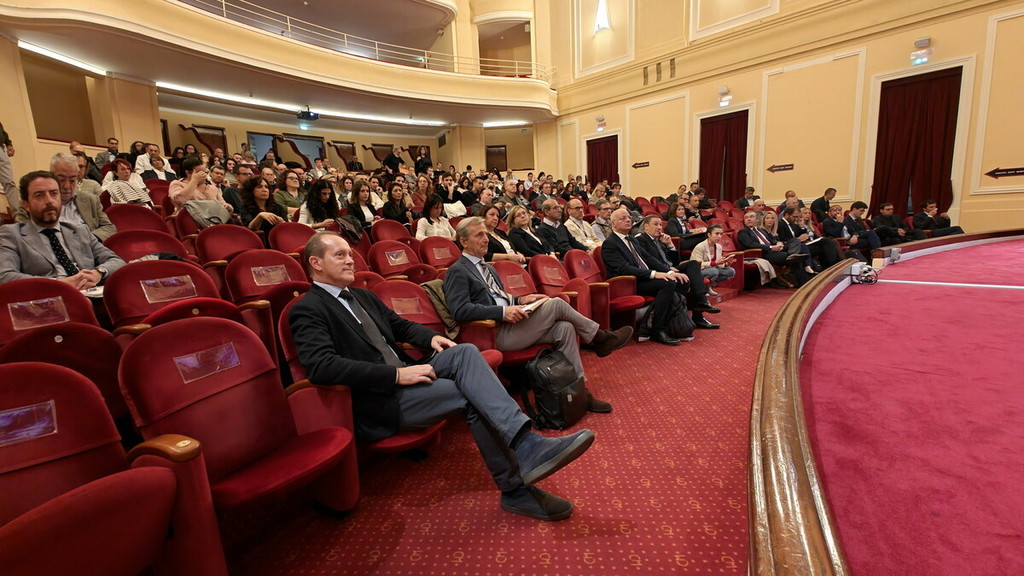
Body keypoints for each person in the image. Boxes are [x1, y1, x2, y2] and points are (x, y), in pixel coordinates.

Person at [290, 232, 597, 521]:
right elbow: (322, 366)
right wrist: (395, 375)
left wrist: (431, 338)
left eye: (350, 254)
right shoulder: (307, 308)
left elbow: (400, 326)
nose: (350, 260)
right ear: (316, 263)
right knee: (473, 395)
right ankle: (516, 487)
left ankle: (525, 443)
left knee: (465, 352)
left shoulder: (362, 296)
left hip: (408, 374)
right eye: (340, 255)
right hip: (380, 397)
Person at [445, 217, 630, 413]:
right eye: (479, 235)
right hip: (495, 333)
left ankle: (579, 393)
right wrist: (502, 312)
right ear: (463, 241)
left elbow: (500, 297)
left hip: (513, 325)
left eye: (485, 234)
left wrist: (522, 300)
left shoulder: (488, 268)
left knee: (565, 328)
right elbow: (460, 310)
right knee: (556, 303)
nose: (486, 239)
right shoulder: (457, 271)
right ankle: (599, 337)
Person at [601, 209, 719, 346]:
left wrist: (669, 272)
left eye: (628, 217)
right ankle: (657, 330)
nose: (628, 220)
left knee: (682, 280)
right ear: (613, 223)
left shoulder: (631, 239)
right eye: (623, 218)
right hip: (629, 283)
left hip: (644, 278)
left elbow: (649, 258)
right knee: (667, 284)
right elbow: (623, 268)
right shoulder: (610, 243)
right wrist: (654, 274)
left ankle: (674, 322)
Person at [1, 170, 124, 286]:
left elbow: (116, 261)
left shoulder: (80, 230)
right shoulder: (11, 235)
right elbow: (4, 276)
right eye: (39, 195)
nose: (49, 201)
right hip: (49, 297)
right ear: (26, 205)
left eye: (54, 193)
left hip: (91, 293)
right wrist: (59, 284)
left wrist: (98, 273)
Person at [631, 214, 721, 330]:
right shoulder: (641, 239)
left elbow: (675, 262)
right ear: (646, 227)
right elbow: (648, 261)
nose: (659, 227)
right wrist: (668, 270)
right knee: (687, 280)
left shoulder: (659, 240)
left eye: (660, 224)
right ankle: (697, 312)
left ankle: (701, 303)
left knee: (693, 264)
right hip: (659, 272)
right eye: (655, 224)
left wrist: (670, 245)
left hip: (670, 269)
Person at [17, 153, 116, 242]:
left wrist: (88, 238)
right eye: (61, 180)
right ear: (51, 177)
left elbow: (109, 227)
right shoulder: (33, 204)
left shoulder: (91, 200)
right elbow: (24, 234)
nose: (67, 186)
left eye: (72, 180)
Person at [737, 210, 806, 287]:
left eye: (751, 217)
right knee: (796, 259)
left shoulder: (761, 230)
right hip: (764, 253)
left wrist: (778, 243)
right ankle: (803, 282)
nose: (749, 219)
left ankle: (792, 254)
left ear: (757, 220)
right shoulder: (743, 232)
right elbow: (751, 245)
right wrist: (770, 247)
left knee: (795, 241)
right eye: (746, 218)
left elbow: (772, 240)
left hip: (774, 250)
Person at [778, 206, 841, 271]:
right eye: (794, 217)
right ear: (787, 215)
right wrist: (798, 239)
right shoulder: (780, 224)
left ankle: (829, 267)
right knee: (826, 243)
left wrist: (802, 226)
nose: (796, 219)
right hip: (794, 248)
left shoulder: (792, 224)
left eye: (797, 217)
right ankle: (832, 266)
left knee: (826, 243)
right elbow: (782, 239)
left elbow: (800, 234)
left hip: (802, 244)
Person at [688, 224, 737, 296]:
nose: (719, 236)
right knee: (713, 271)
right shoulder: (700, 247)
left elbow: (718, 265)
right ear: (709, 235)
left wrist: (726, 264)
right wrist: (714, 263)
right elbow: (696, 264)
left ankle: (709, 285)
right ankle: (702, 287)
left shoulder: (719, 247)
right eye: (717, 234)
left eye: (721, 234)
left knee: (731, 271)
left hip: (712, 269)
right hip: (697, 271)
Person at [0, 120, 17, 214]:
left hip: (0, 149)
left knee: (9, 182)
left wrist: (8, 143)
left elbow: (1, 131)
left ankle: (18, 215)